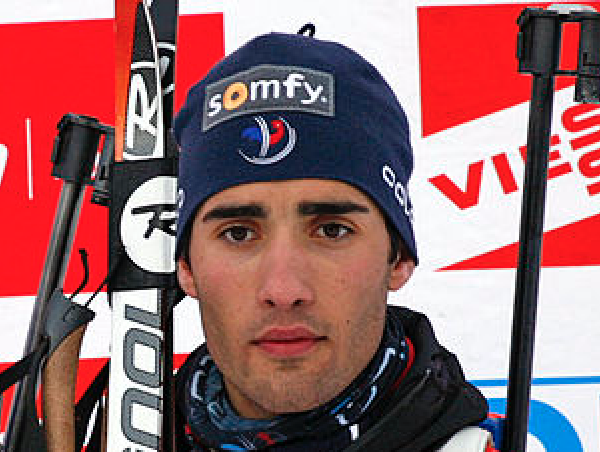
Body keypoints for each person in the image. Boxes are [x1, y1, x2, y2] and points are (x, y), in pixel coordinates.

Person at [172, 30, 496, 452]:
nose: (284, 291)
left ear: (398, 255)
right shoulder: (110, 434)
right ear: (186, 267)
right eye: (238, 234)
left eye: (331, 230)